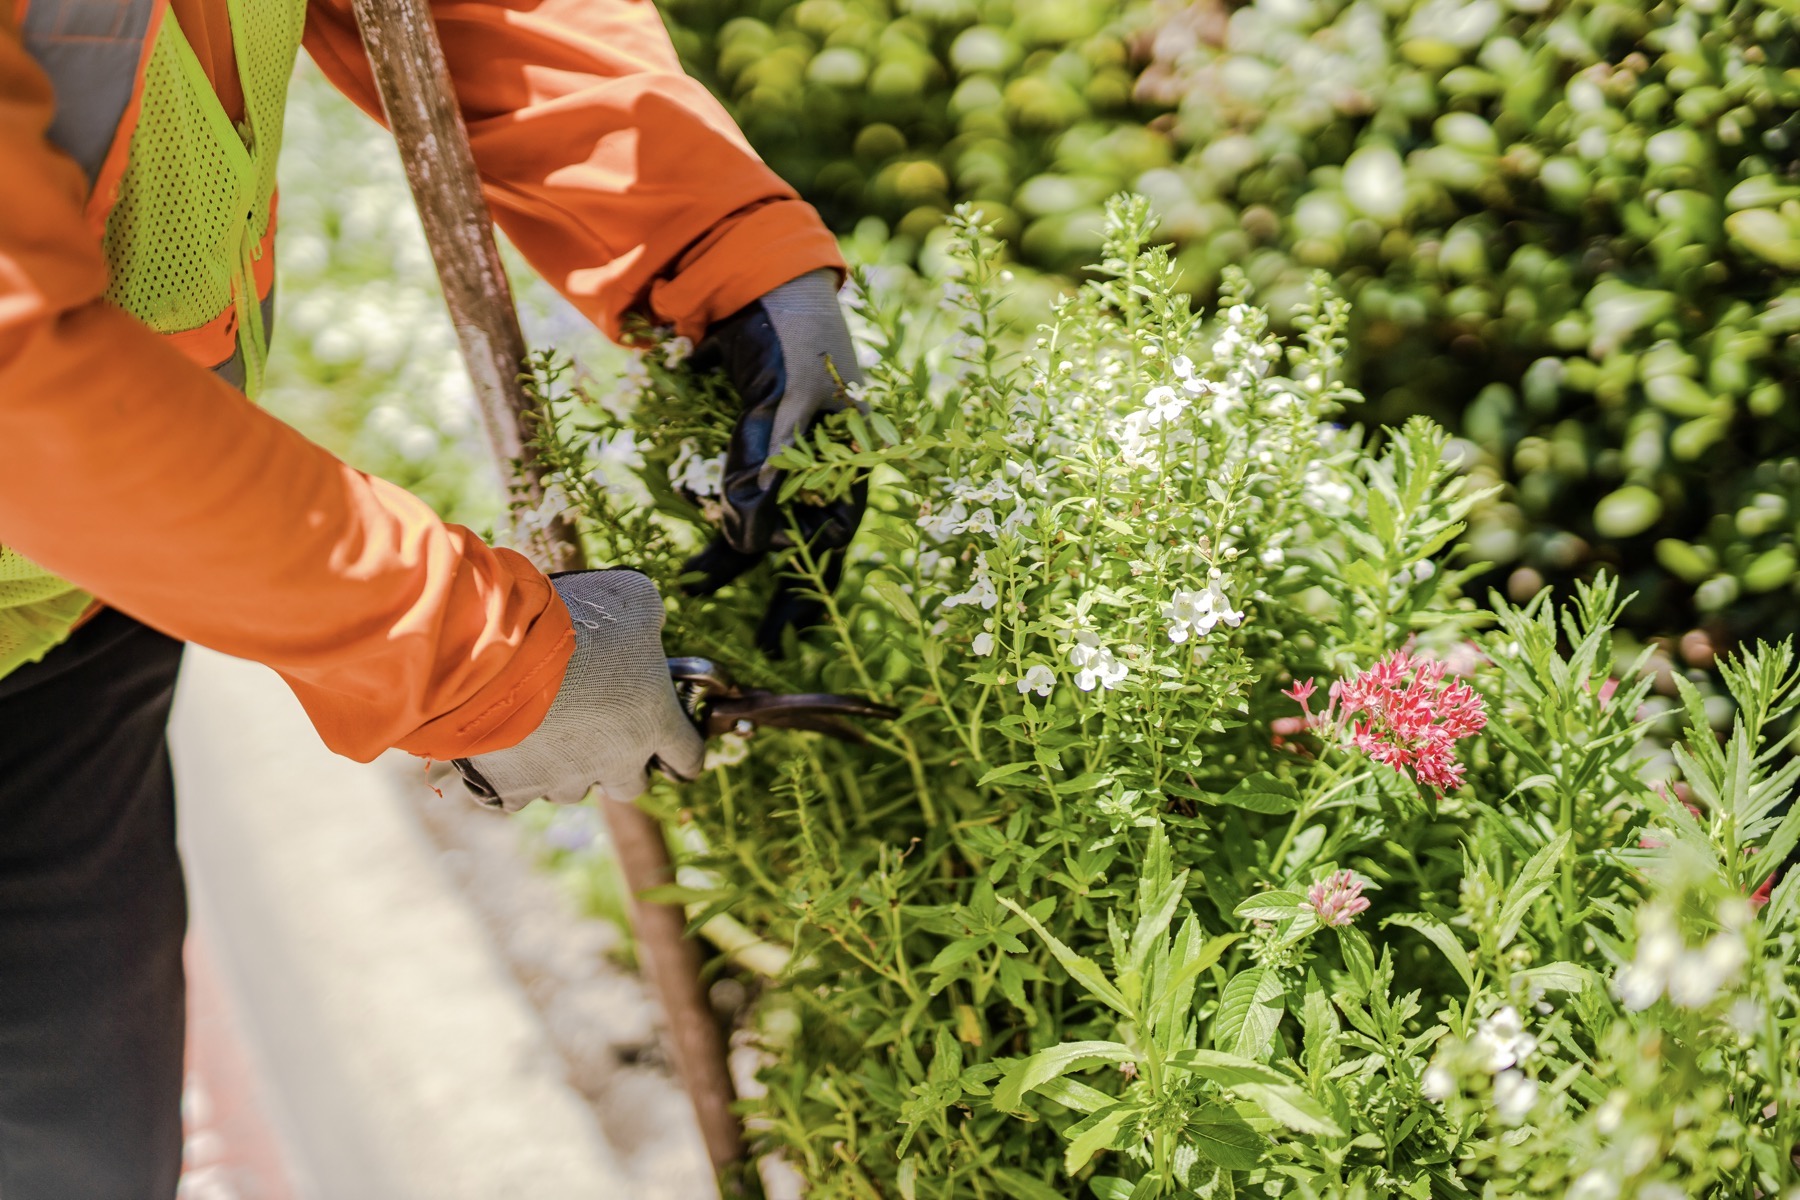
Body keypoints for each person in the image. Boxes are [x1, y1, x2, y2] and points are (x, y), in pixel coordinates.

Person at [0, 0, 863, 1194]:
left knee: (83, 1154)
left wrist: (720, 238)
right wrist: (472, 654)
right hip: (57, 520)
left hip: (75, 619)